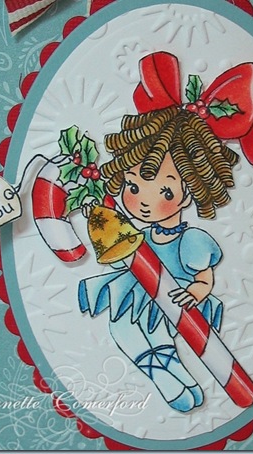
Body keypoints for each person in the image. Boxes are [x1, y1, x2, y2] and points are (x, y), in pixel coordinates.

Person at [78, 104, 239, 413]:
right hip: (138, 292)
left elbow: (204, 278)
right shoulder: (139, 235)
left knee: (151, 334)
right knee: (122, 328)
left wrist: (195, 293)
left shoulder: (190, 240)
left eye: (164, 192)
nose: (145, 202)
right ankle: (174, 378)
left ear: (187, 193)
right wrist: (98, 218)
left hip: (173, 298)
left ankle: (171, 378)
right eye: (133, 186)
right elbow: (121, 258)